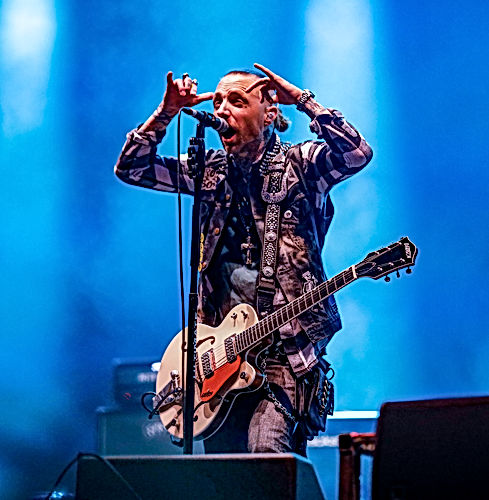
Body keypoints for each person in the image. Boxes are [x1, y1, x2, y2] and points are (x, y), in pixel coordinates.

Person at [114, 63, 373, 456]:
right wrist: (166, 113)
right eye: (218, 101)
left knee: (265, 453)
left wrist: (303, 100)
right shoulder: (208, 171)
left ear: (269, 113)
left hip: (285, 354)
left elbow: (356, 153)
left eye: (237, 101)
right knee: (226, 474)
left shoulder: (301, 166)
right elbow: (131, 168)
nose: (222, 110)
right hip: (219, 359)